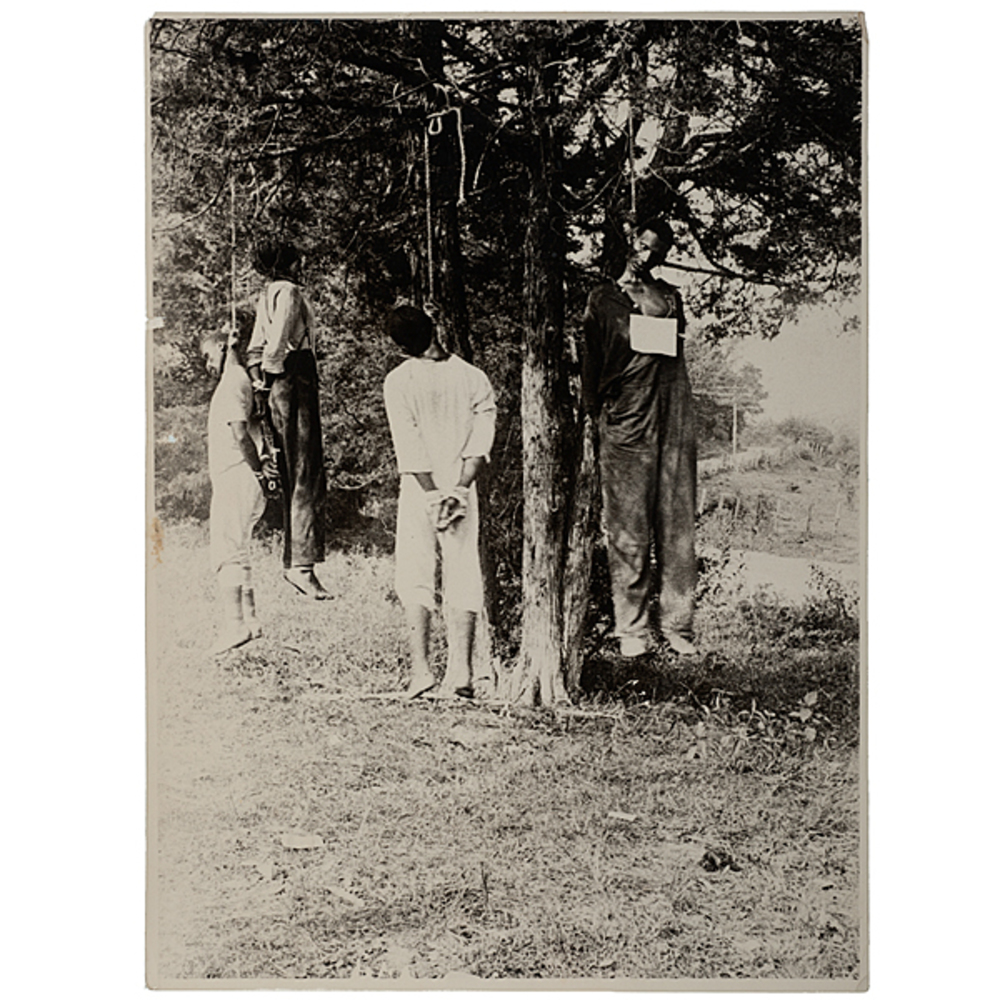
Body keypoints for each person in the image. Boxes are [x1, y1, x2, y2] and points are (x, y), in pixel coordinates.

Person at [581, 218, 698, 658]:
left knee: (677, 518)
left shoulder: (669, 296)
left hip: (671, 405)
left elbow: (676, 348)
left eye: (658, 252)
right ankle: (631, 630)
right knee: (628, 524)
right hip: (626, 413)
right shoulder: (603, 298)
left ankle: (678, 625)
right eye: (644, 245)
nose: (648, 256)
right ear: (631, 241)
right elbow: (591, 362)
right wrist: (595, 414)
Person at [383, 305, 496, 699]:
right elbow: (480, 442)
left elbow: (408, 445)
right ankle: (461, 673)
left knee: (414, 572)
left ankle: (422, 672)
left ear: (399, 347)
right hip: (459, 488)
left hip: (420, 489)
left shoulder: (399, 381)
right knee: (463, 569)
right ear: (435, 328)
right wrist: (459, 489)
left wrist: (433, 494)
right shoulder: (472, 377)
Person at [246, 240, 331, 599]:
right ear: (287, 262)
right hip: (294, 376)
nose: (303, 263)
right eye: (298, 258)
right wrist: (274, 375)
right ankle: (302, 567)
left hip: (281, 378)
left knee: (294, 468)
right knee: (305, 470)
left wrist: (259, 379)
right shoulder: (290, 292)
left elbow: (256, 347)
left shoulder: (266, 294)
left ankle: (294, 562)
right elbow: (277, 341)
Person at [202, 319, 281, 654]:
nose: (207, 364)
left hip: (237, 474)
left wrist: (259, 471)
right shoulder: (235, 378)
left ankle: (234, 626)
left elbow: (240, 432)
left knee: (226, 551)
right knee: (239, 549)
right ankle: (249, 621)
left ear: (222, 348)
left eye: (208, 356)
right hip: (239, 476)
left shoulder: (234, 380)